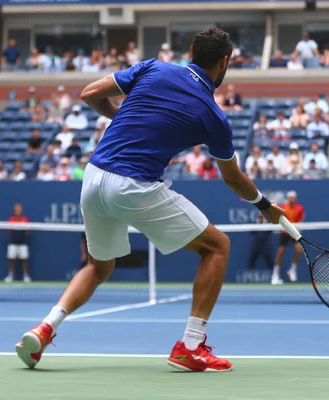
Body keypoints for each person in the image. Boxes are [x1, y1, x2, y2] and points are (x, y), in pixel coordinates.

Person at [15, 27, 284, 373]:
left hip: (94, 177)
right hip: (132, 185)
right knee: (217, 247)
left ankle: (45, 328)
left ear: (190, 51)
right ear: (224, 62)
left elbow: (89, 93)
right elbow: (233, 178)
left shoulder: (153, 67)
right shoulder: (214, 116)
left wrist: (122, 117)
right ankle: (190, 346)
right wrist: (264, 204)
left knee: (99, 265)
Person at [271, 191, 304, 285]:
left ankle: (292, 270)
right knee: (280, 253)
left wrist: (297, 230)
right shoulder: (283, 207)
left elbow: (300, 221)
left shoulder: (299, 208)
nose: (292, 199)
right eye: (290, 198)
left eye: (293, 198)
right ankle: (275, 275)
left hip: (294, 233)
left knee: (298, 250)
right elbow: (278, 219)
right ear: (288, 198)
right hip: (284, 233)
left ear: (295, 199)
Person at [5, 204, 31, 283]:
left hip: (23, 243)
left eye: (19, 209)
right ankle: (10, 275)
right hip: (13, 243)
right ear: (14, 211)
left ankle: (26, 276)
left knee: (24, 260)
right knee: (11, 260)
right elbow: (8, 232)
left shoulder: (25, 220)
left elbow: (27, 232)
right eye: (17, 210)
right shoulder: (11, 220)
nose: (18, 211)